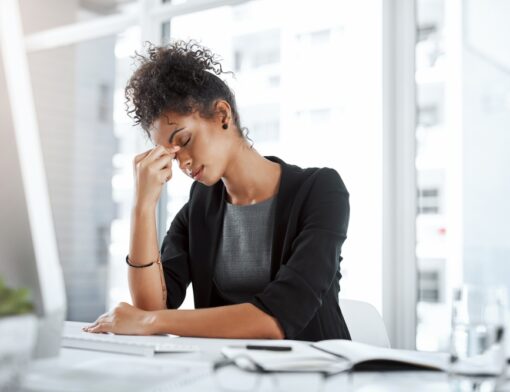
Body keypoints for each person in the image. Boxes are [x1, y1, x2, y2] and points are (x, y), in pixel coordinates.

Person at [84, 40, 351, 341]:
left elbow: (277, 320)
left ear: (222, 115)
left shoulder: (321, 191)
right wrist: (142, 207)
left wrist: (149, 322)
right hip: (228, 374)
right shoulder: (199, 207)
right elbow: (154, 305)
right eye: (171, 155)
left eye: (183, 141)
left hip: (318, 375)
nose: (182, 162)